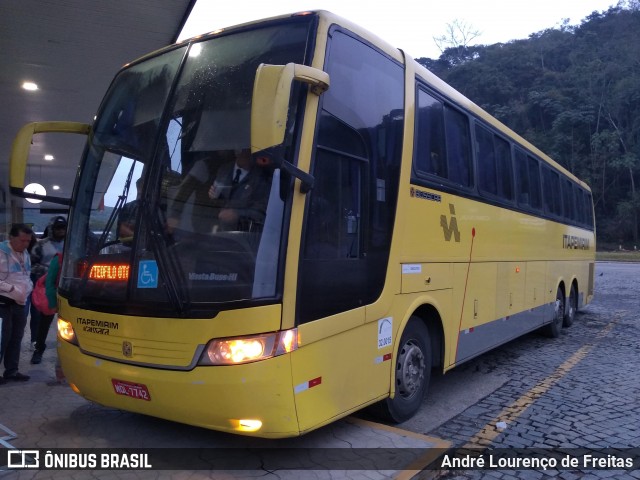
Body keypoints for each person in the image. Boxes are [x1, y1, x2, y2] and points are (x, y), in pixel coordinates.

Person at [0, 223, 35, 383]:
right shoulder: (1, 251)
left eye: (28, 241)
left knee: (16, 337)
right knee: (2, 337)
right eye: (22, 240)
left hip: (21, 302)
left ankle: (12, 371)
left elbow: (25, 275)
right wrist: (11, 288)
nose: (26, 244)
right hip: (3, 301)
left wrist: (28, 288)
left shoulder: (25, 253)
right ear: (11, 238)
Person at [29, 216, 66, 365]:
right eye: (58, 228)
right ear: (52, 228)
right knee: (43, 321)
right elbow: (30, 266)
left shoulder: (71, 244)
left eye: (63, 228)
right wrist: (49, 270)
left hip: (66, 287)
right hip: (47, 287)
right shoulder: (41, 245)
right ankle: (39, 350)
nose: (61, 231)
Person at [207, 148, 271, 231]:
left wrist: (238, 215)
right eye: (239, 149)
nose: (240, 152)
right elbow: (216, 199)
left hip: (244, 232)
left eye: (246, 150)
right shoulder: (224, 169)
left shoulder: (261, 178)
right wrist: (213, 196)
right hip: (217, 229)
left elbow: (262, 211)